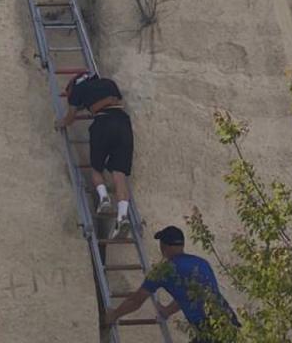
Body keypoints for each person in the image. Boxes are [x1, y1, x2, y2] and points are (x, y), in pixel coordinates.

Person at [104, 226, 240, 341]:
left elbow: (136, 300)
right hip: (228, 320)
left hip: (206, 328)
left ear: (164, 246)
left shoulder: (164, 271)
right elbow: (192, 294)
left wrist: (114, 315)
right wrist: (167, 310)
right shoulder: (201, 263)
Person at [56, 72, 134, 239]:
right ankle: (122, 216)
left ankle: (104, 198)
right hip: (123, 122)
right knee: (119, 174)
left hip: (103, 122)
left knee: (96, 168)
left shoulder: (77, 90)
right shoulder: (108, 83)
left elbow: (70, 118)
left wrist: (59, 123)